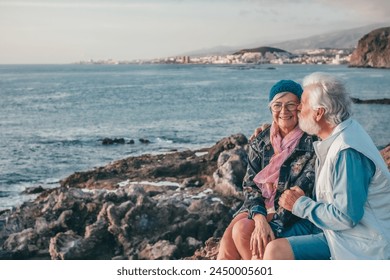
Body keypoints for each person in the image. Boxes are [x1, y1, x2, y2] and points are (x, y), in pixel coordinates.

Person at [263, 72, 390, 260]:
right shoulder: (338, 136)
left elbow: (346, 216)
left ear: (319, 113)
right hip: (340, 234)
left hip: (362, 245)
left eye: (303, 103)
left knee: (275, 252)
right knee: (264, 239)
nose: (297, 108)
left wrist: (299, 204)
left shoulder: (347, 152)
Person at [217, 80, 328, 260]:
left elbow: (299, 194)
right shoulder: (261, 140)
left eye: (290, 105)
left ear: (300, 108)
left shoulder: (312, 142)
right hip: (261, 204)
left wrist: (269, 225)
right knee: (227, 245)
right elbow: (250, 186)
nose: (283, 111)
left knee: (243, 231)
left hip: (288, 212)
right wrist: (259, 218)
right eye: (277, 105)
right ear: (271, 109)